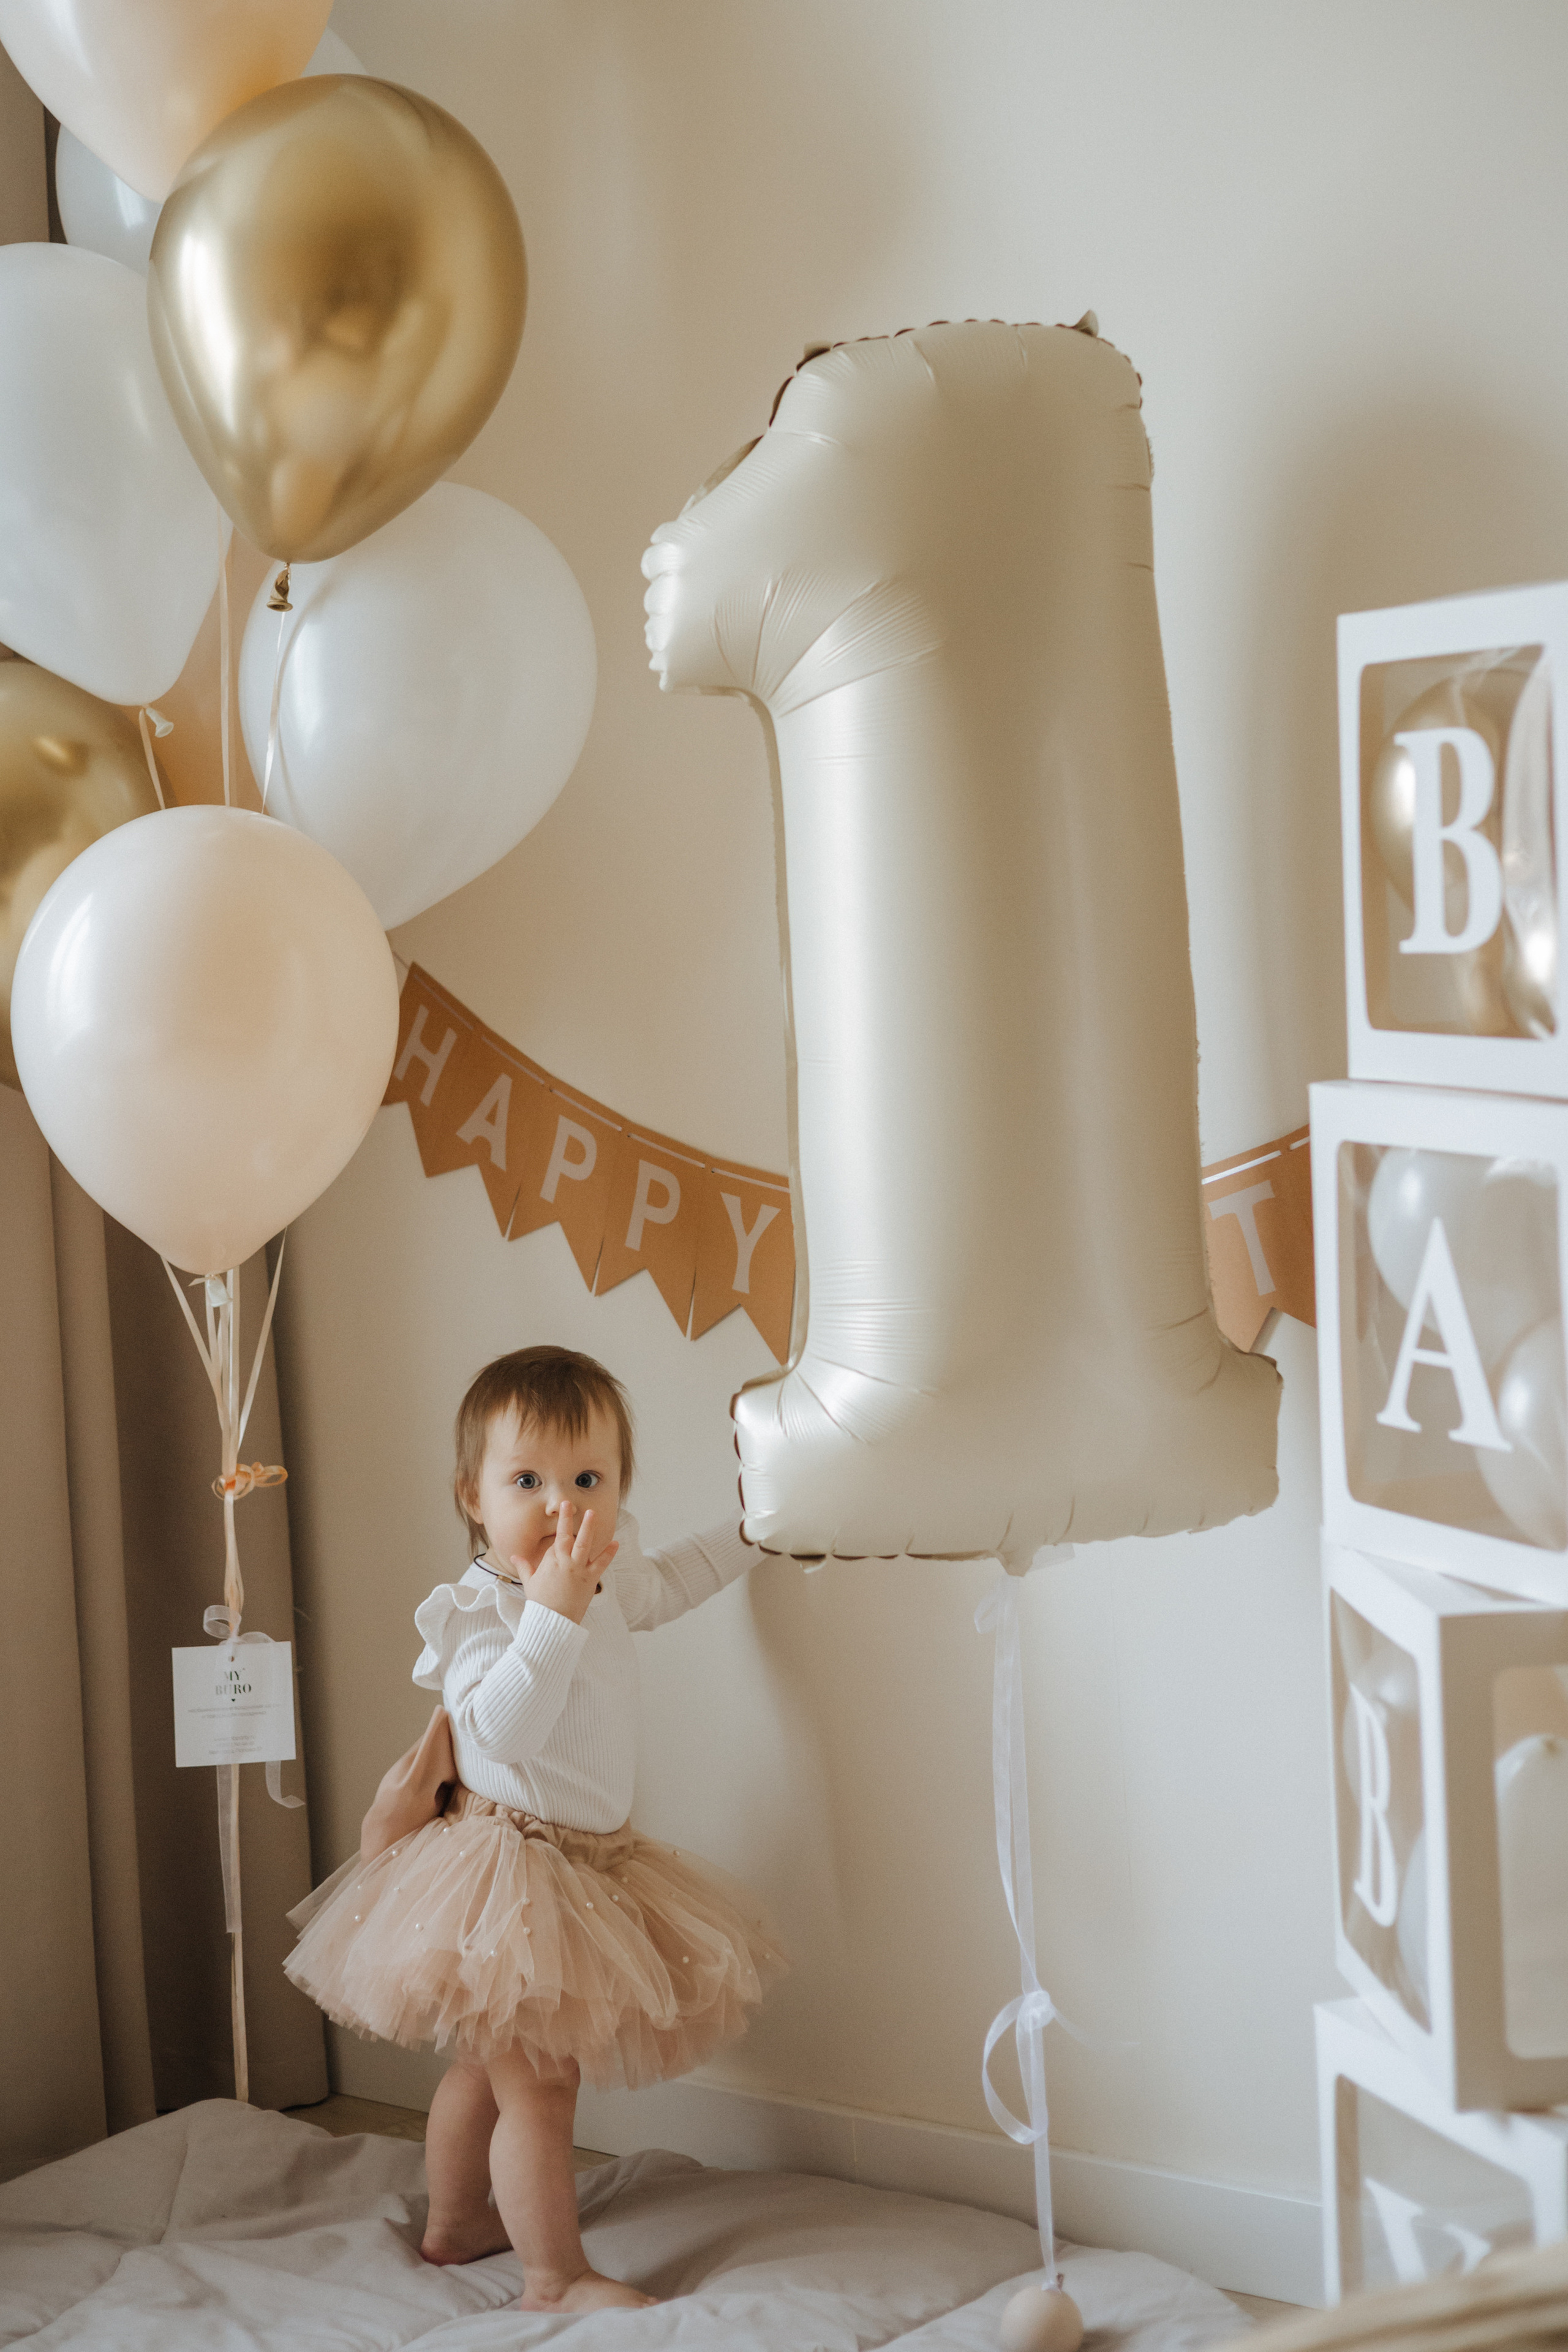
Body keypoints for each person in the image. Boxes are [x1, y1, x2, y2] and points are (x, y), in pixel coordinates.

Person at [284, 1344, 786, 2314]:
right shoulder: (480, 1609)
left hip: (589, 1864)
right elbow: (499, 1728)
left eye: (587, 1480)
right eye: (528, 1481)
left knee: (487, 2066)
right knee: (542, 2090)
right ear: (472, 1495)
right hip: (505, 1867)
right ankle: (554, 2278)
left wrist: (757, 1531)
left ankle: (458, 2220)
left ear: (619, 1492)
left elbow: (672, 1581)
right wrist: (548, 1615)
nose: (562, 1505)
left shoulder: (601, 1582)